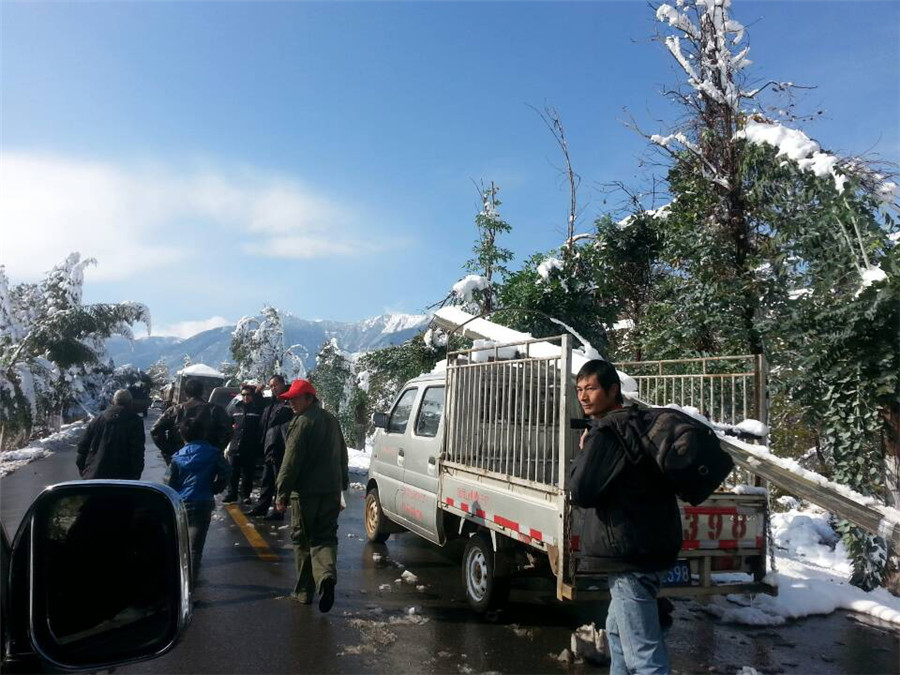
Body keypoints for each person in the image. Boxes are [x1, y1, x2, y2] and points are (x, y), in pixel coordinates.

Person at [568, 360, 682, 675]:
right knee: (617, 634)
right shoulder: (638, 424)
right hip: (652, 546)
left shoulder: (607, 432)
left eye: (591, 388)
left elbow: (582, 491)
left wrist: (584, 453)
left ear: (613, 390)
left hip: (630, 555)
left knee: (643, 656)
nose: (584, 396)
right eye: (579, 389)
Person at [275, 379, 348, 613]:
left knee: (303, 541)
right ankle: (326, 576)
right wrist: (342, 484)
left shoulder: (302, 422)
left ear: (309, 398)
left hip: (305, 494)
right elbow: (342, 454)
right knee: (325, 538)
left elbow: (291, 460)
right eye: (289, 400)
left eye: (295, 399)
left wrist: (282, 492)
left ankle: (304, 591)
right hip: (330, 492)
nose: (292, 403)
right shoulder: (331, 420)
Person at [164, 405, 232, 583]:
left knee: (181, 544)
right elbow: (226, 471)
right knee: (195, 548)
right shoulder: (213, 453)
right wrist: (216, 487)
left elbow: (169, 483)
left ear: (183, 435)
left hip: (182, 504)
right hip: (203, 502)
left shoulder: (177, 458)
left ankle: (179, 582)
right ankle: (190, 585)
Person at [151, 378, 232, 465]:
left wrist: (170, 451)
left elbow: (155, 430)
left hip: (180, 458)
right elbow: (228, 431)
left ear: (185, 393)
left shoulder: (175, 410)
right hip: (206, 458)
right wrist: (216, 449)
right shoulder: (215, 410)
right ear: (202, 392)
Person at [246, 375, 294, 519]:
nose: (273, 388)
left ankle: (278, 510)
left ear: (283, 384)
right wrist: (256, 392)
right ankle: (261, 507)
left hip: (281, 446)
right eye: (271, 386)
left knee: (279, 481)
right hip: (269, 445)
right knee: (267, 479)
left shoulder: (289, 401)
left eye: (276, 385)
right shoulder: (271, 402)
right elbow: (259, 404)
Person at [76, 389, 145, 479]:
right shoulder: (135, 421)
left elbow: (83, 447)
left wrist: (84, 469)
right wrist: (135, 475)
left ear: (113, 401)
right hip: (123, 480)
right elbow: (137, 452)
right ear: (130, 402)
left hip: (94, 477)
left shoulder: (97, 420)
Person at [222, 384, 264, 504]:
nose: (246, 397)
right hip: (235, 445)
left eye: (248, 394)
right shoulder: (235, 408)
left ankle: (245, 495)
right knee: (233, 472)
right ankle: (232, 494)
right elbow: (227, 423)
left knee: (248, 473)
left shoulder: (257, 409)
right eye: (244, 394)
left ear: (252, 395)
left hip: (250, 446)